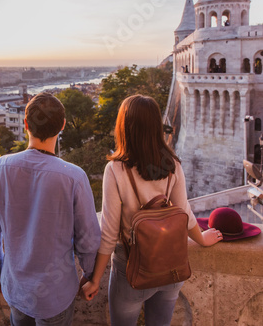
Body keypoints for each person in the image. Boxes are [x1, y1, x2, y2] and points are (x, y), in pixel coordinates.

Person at [80, 94, 222, 325]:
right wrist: (202, 240)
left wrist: (95, 280)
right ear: (156, 126)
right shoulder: (173, 164)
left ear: (124, 127)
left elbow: (109, 233)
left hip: (132, 269)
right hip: (171, 267)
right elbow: (183, 213)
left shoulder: (116, 170)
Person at [0, 92, 101, 326]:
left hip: (16, 286)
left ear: (26, 124)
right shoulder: (73, 177)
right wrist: (89, 275)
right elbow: (88, 238)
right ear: (63, 125)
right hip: (55, 293)